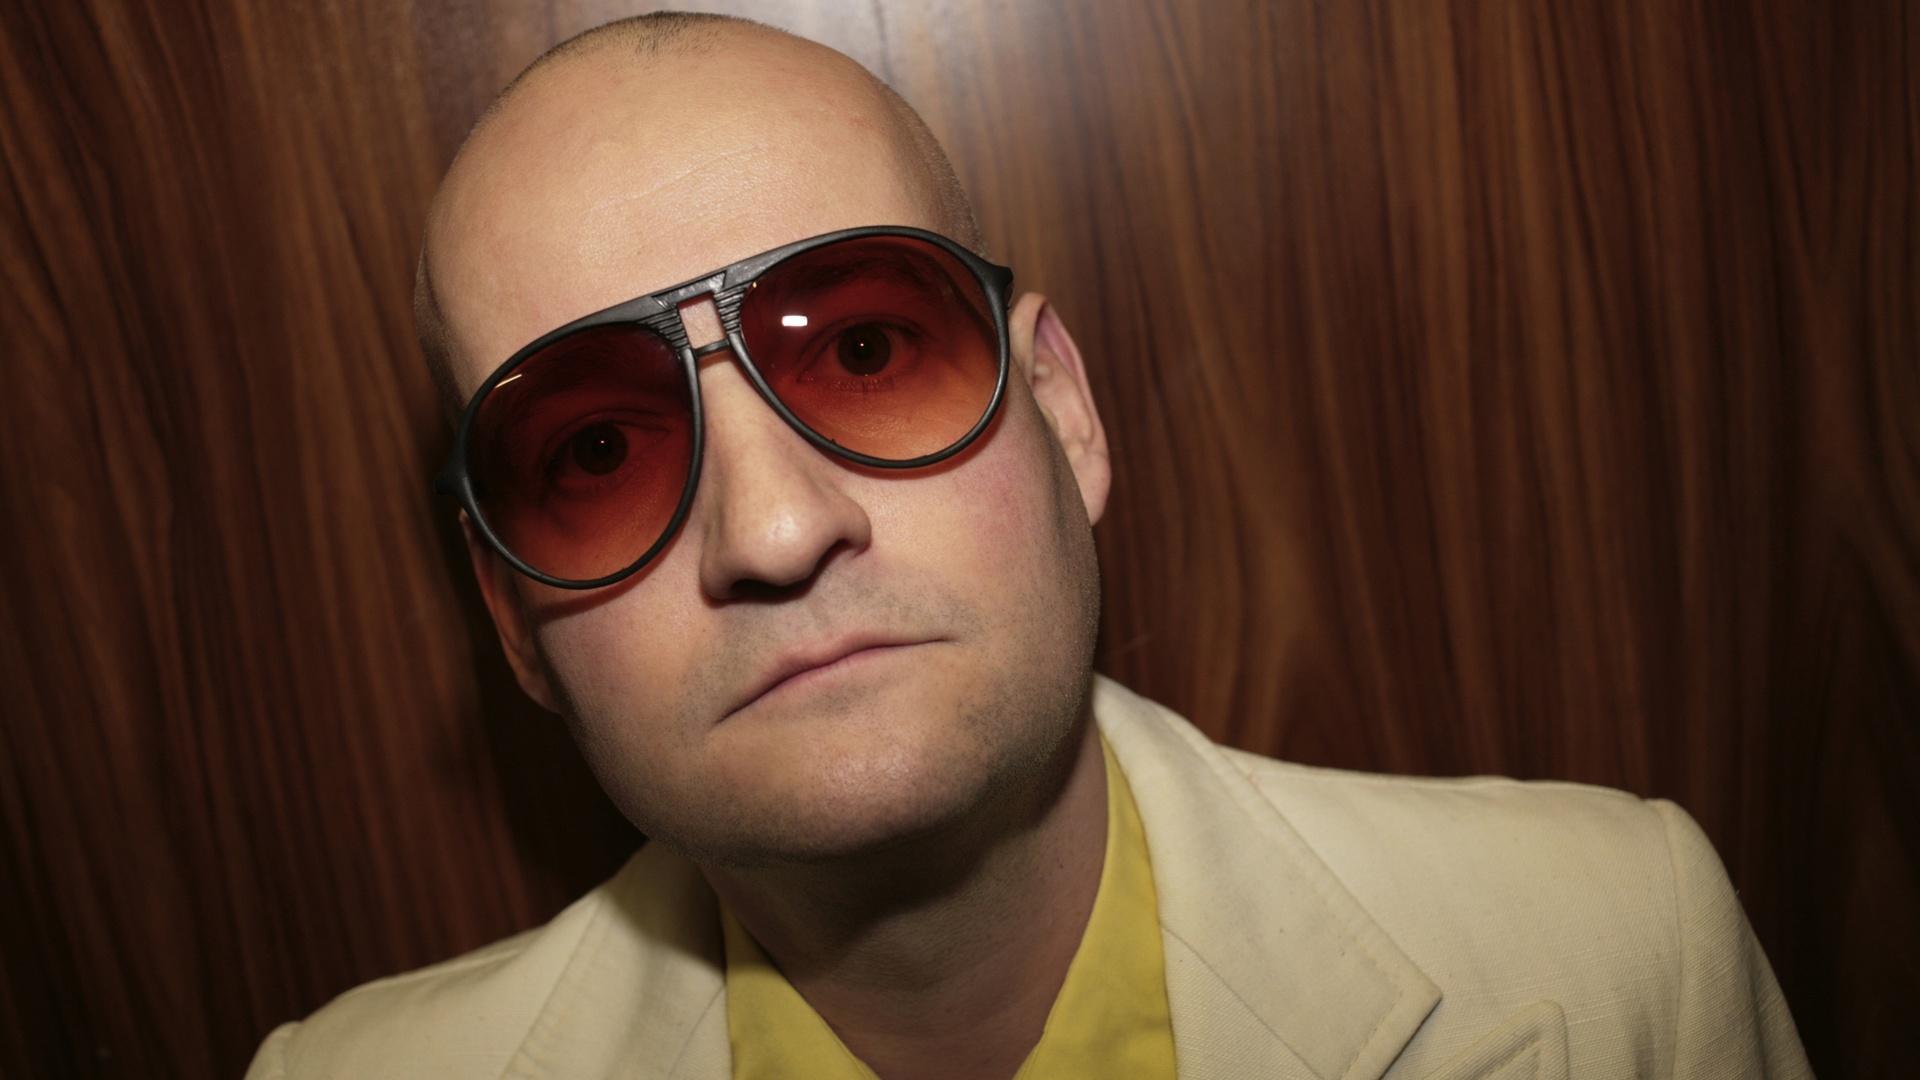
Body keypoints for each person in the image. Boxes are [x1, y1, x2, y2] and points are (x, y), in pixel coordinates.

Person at [247, 12, 1810, 1079]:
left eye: (867, 350)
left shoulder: (1621, 962)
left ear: (1063, 411)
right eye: (595, 451)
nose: (777, 529)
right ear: (511, 621)